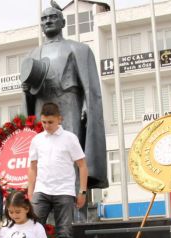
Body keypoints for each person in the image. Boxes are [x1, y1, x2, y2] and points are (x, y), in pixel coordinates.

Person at [21, 4, 108, 191]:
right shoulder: (33, 55)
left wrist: (86, 107)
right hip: (41, 106)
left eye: (52, 17)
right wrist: (27, 90)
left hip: (70, 104)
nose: (48, 21)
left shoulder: (79, 49)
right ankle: (43, 201)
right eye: (44, 19)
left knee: (71, 151)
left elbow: (90, 88)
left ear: (63, 22)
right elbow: (29, 92)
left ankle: (76, 198)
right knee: (44, 154)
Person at [27, 102, 87, 238]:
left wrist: (82, 191)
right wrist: (30, 192)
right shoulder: (37, 139)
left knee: (65, 233)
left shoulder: (70, 138)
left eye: (50, 122)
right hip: (41, 190)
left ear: (59, 119)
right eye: (44, 122)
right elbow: (33, 167)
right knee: (32, 230)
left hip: (64, 191)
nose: (46, 126)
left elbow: (82, 165)